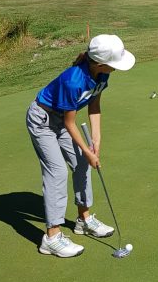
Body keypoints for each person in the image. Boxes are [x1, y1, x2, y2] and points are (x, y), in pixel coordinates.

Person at [26, 34, 136, 258]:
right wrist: (87, 150)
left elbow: (94, 106)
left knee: (82, 164)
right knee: (57, 173)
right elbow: (69, 122)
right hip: (44, 120)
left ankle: (83, 220)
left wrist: (96, 141)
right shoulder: (73, 80)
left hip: (62, 120)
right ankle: (52, 238)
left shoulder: (102, 75)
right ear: (100, 63)